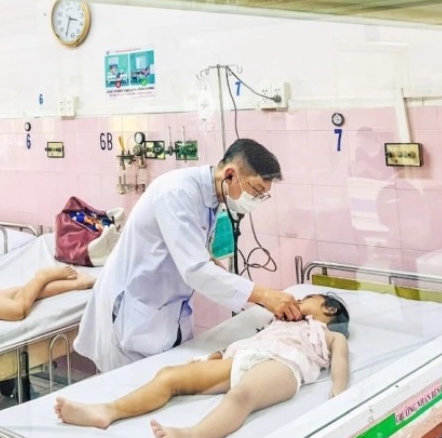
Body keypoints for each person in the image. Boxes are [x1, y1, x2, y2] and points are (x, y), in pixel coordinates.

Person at [74, 138, 301, 372]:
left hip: (164, 314)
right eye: (256, 191)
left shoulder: (210, 197)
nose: (256, 200)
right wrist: (263, 295)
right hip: (135, 315)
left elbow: (201, 258)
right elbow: (196, 270)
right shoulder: (176, 193)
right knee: (134, 386)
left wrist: (254, 295)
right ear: (230, 175)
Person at [57, 293, 351, 438]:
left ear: (329, 309)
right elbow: (250, 342)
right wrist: (212, 358)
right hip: (246, 356)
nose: (296, 302)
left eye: (305, 299)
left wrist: (340, 392)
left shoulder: (327, 333)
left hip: (284, 365)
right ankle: (107, 411)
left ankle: (193, 436)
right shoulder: (279, 322)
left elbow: (340, 360)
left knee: (241, 396)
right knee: (169, 376)